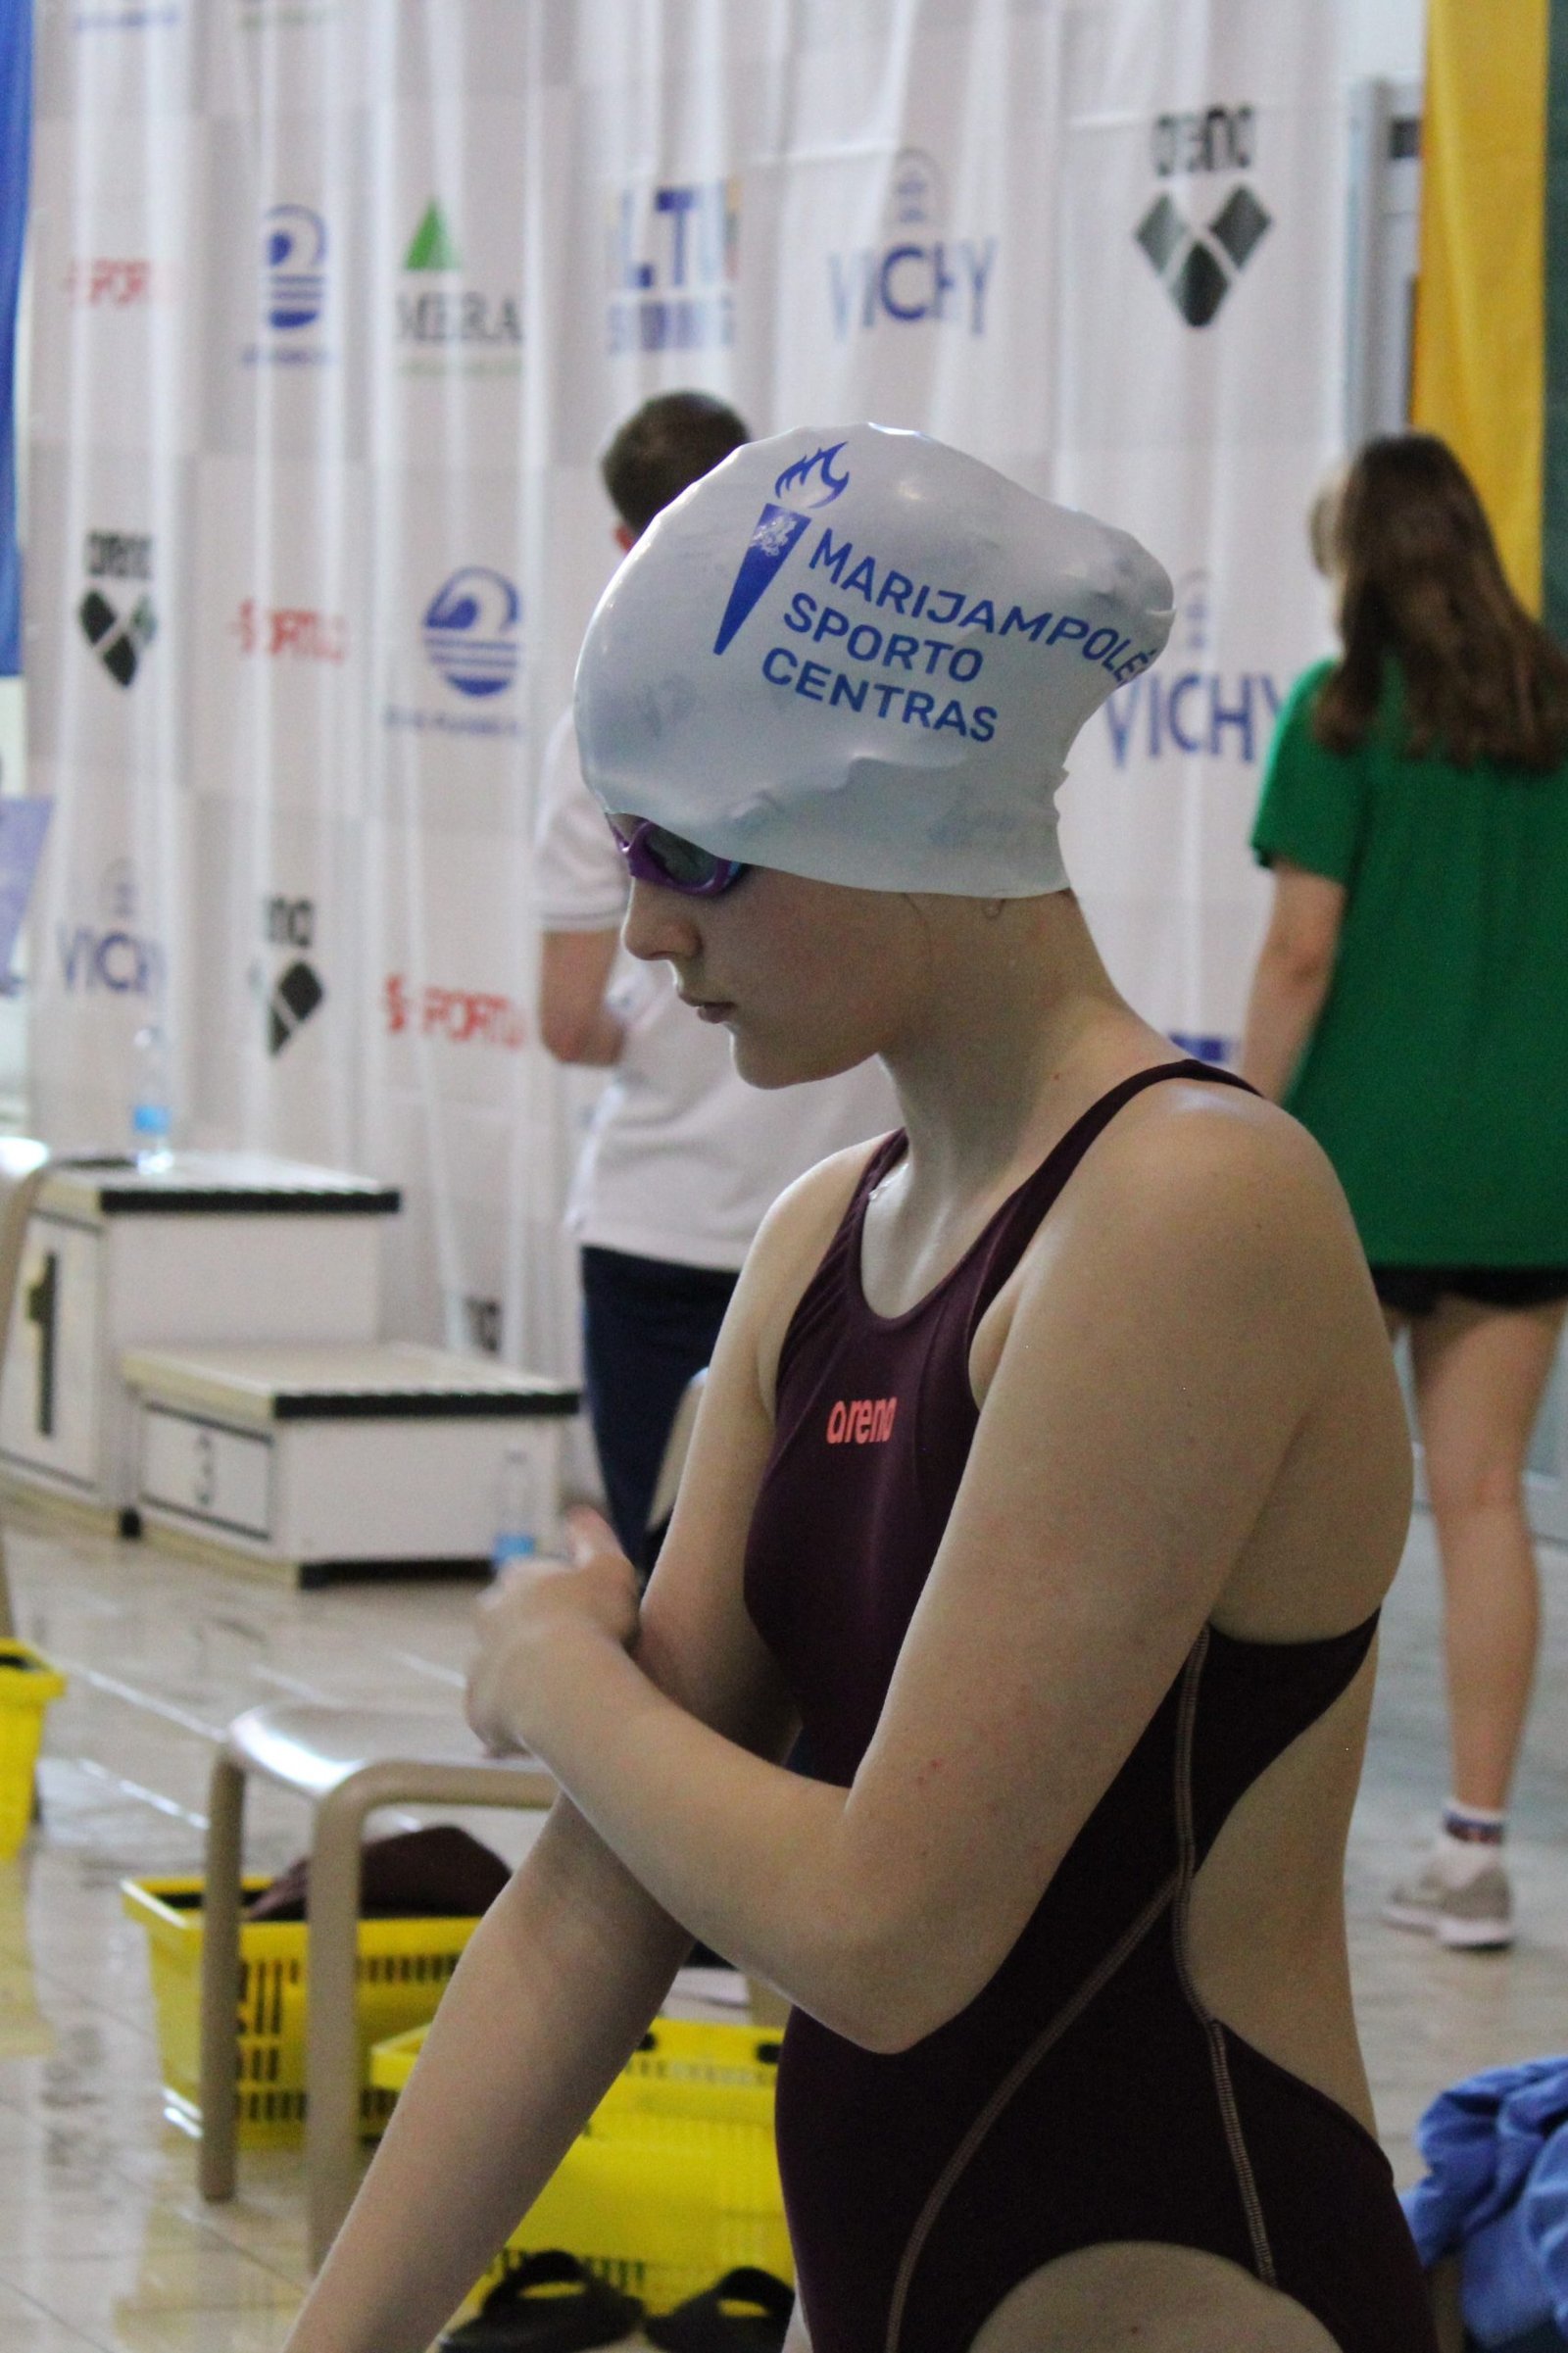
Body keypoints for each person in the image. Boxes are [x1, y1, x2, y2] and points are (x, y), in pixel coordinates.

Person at [286, 426, 1435, 2353]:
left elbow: (891, 1935)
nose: (646, 933)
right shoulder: (820, 1242)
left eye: (690, 854)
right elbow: (594, 1907)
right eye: (626, 853)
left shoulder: (1188, 1210)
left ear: (898, 807)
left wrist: (554, 1678)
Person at [1241, 432, 1568, 1953]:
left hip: (1357, 1166)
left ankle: (1241, 1826)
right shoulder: (1554, 710)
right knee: (1486, 1495)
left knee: (1285, 1505)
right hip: (1530, 1168)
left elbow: (1301, 948)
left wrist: (1239, 1122)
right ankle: (1474, 1851)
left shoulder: (1343, 711)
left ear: (1355, 564)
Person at [535, 390, 896, 1566]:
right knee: (833, 1585)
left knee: (669, 1591)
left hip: (668, 1217)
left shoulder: (602, 719)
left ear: (625, 541)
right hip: (856, 1219)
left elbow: (565, 1018)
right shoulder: (863, 693)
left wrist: (651, 1033)